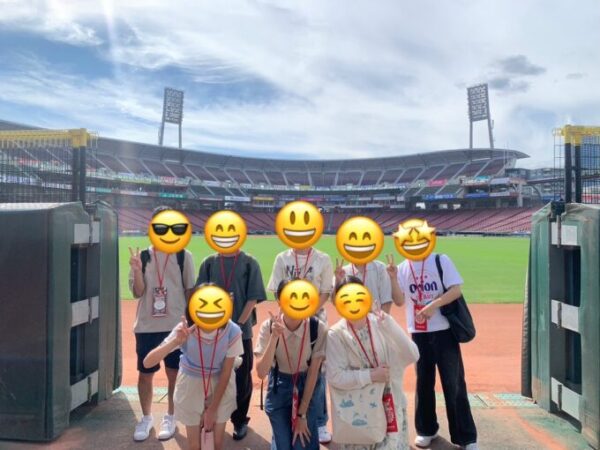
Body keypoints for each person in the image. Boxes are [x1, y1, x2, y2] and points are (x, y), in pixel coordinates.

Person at [388, 253, 479, 450]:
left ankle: (466, 437)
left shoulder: (440, 260)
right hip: (418, 332)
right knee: (423, 381)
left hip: (445, 331)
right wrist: (393, 278)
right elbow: (399, 301)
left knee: (454, 383)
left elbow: (455, 290)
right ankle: (426, 429)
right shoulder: (403, 267)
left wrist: (432, 305)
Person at [143, 289, 243, 450]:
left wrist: (212, 409)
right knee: (194, 445)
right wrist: (175, 342)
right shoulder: (185, 329)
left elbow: (226, 372)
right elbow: (148, 362)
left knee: (217, 443)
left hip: (221, 384)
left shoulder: (232, 331)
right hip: (191, 384)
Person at [326, 275, 419, 449]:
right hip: (358, 416)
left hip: (390, 407)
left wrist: (389, 324)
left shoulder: (381, 323)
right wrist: (371, 375)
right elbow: (335, 377)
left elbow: (412, 354)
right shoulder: (336, 334)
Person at [129, 206, 196, 442]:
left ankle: (170, 416)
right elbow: (138, 292)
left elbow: (190, 291)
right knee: (145, 374)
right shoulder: (142, 257)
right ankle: (146, 418)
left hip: (175, 326)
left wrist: (189, 324)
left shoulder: (183, 255)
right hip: (147, 326)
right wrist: (137, 271)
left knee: (174, 373)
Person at [195, 248, 267, 440]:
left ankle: (239, 420)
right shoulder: (209, 263)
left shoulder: (249, 262)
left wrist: (237, 326)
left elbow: (252, 298)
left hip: (240, 333)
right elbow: (199, 296)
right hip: (212, 333)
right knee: (210, 377)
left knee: (241, 379)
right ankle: (209, 417)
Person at [267, 245, 334, 444]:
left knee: (316, 373)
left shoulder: (323, 258)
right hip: (288, 320)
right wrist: (292, 310)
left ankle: (320, 421)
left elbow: (325, 292)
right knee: (283, 364)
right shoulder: (282, 257)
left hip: (315, 319)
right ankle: (280, 423)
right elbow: (277, 290)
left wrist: (307, 310)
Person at [255, 278, 328, 450]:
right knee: (284, 445)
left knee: (302, 443)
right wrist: (274, 337)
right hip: (279, 385)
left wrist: (302, 414)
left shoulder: (317, 328)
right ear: (279, 301)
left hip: (307, 386)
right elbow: (261, 372)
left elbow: (314, 372)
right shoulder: (268, 327)